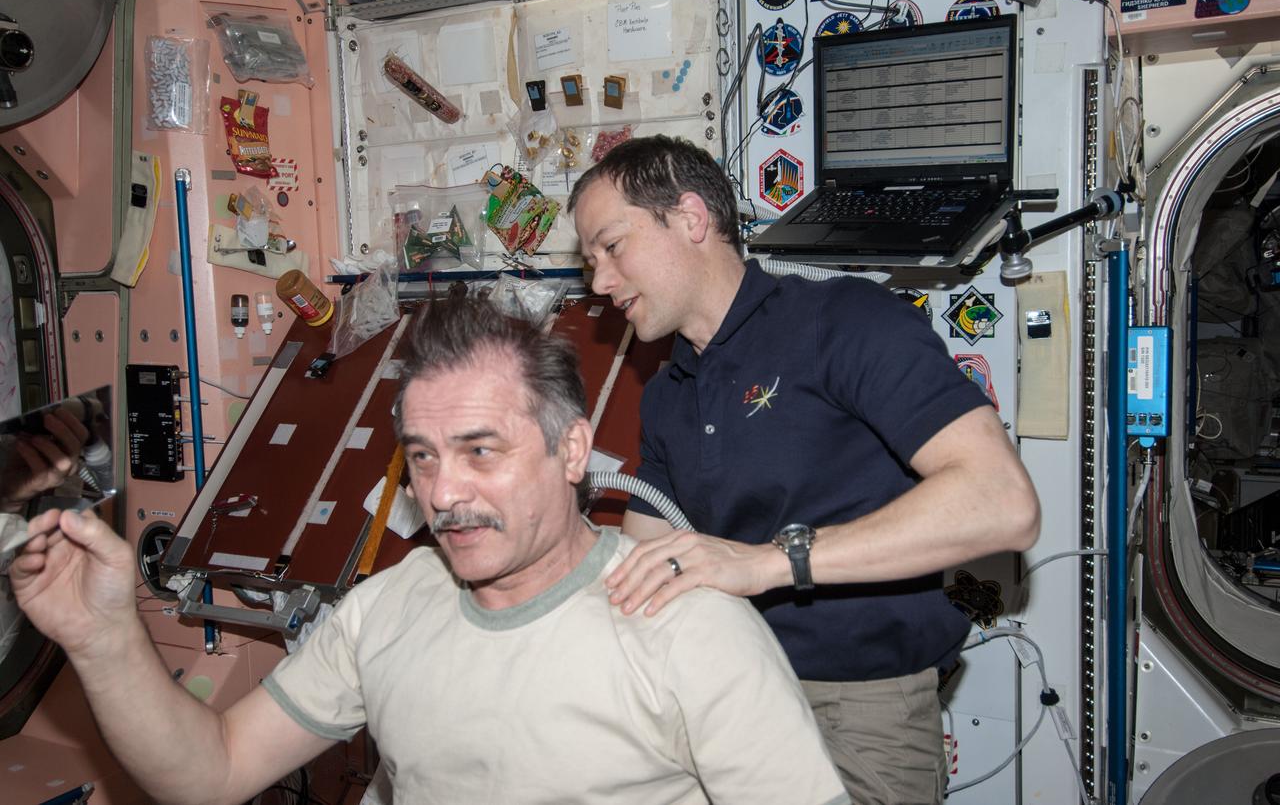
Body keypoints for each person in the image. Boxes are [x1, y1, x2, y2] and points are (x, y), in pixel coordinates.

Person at [11, 295, 849, 805]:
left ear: (571, 452)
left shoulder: (690, 628)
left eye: (482, 451)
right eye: (422, 456)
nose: (443, 493)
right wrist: (105, 638)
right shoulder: (384, 609)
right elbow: (213, 773)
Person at [568, 135, 1041, 804]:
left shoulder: (845, 320)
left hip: (856, 715)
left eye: (612, 247)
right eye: (590, 262)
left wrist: (767, 562)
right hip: (723, 698)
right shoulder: (671, 391)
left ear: (691, 218)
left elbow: (1002, 502)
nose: (601, 282)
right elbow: (637, 563)